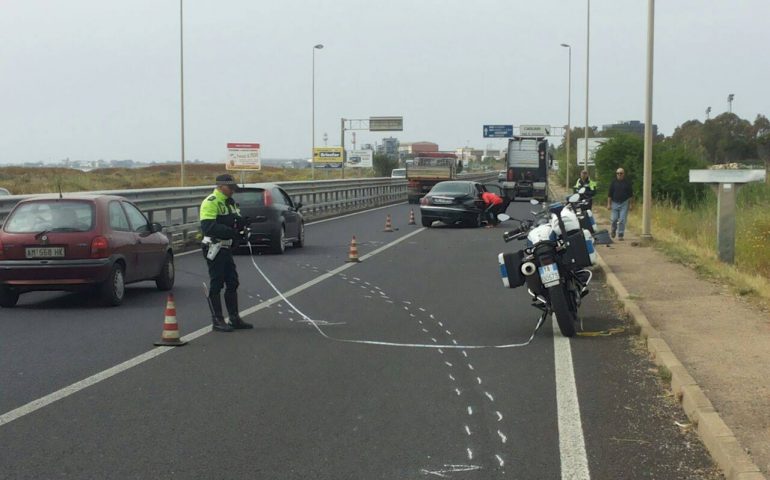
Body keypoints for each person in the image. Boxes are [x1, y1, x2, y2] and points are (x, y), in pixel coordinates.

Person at [199, 174, 253, 332]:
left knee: (232, 282)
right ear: (221, 186)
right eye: (231, 188)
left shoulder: (231, 203)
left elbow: (235, 221)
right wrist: (231, 232)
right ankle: (217, 320)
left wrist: (242, 225)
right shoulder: (211, 202)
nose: (233, 191)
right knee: (217, 282)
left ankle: (234, 318)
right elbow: (208, 227)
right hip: (214, 246)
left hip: (226, 247)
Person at [607, 167, 633, 241]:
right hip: (614, 203)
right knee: (614, 219)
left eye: (621, 173)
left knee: (622, 220)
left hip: (624, 203)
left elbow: (630, 195)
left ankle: (620, 234)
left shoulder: (627, 183)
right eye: (617, 173)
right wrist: (609, 204)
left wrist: (631, 205)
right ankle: (613, 230)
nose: (619, 175)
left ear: (623, 174)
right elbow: (609, 194)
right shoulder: (613, 182)